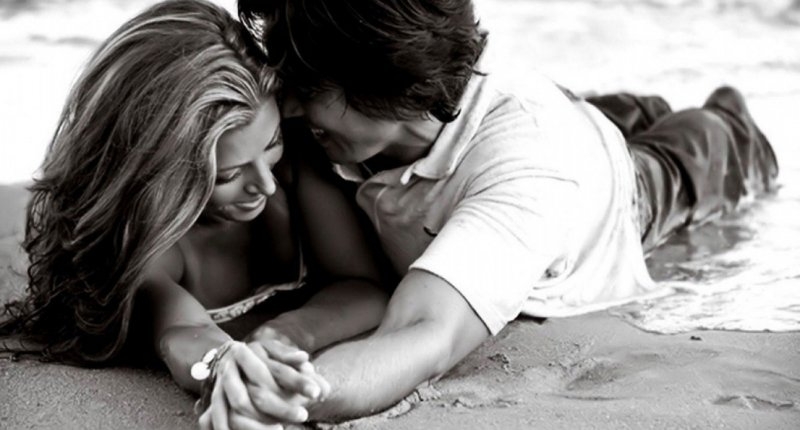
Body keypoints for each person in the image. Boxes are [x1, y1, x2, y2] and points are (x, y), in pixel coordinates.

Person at [221, 0, 779, 425]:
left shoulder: (531, 169)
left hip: (619, 184)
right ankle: (633, 107)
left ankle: (725, 117)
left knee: (700, 143)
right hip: (531, 111)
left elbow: (424, 334)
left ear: (387, 83)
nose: (285, 103)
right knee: (605, 110)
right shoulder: (344, 117)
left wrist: (296, 396)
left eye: (308, 85)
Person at [0, 1, 391, 428]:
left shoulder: (296, 166)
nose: (266, 184)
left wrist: (285, 333)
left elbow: (365, 288)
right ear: (160, 173)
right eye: (228, 175)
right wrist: (221, 364)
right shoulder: (150, 248)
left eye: (272, 142)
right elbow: (180, 333)